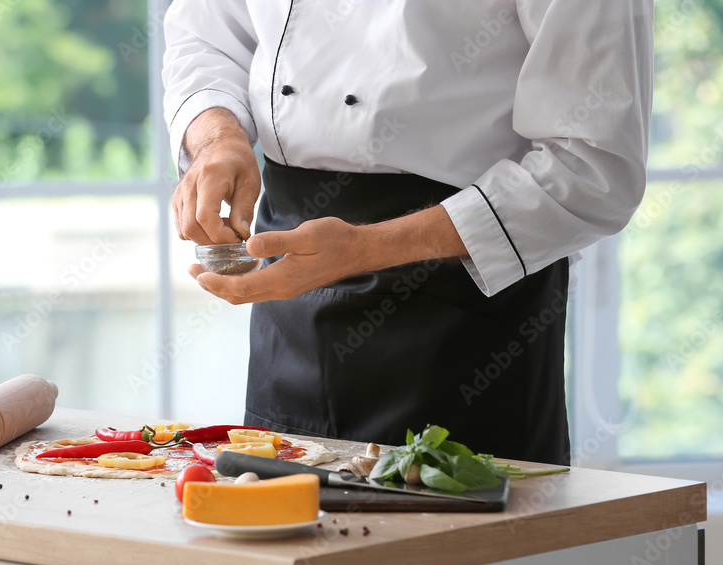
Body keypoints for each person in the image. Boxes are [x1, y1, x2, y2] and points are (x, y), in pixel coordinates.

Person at [162, 2, 653, 465]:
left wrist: (366, 249)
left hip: (461, 303)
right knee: (282, 528)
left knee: (459, 543)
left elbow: (592, 167)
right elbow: (206, 35)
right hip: (289, 299)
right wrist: (216, 140)